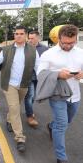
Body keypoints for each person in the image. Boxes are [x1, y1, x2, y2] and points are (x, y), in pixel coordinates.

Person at [0, 26, 39, 152]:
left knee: (15, 106)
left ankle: (9, 119)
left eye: (21, 33)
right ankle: (20, 138)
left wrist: (43, 81)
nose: (18, 36)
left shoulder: (33, 50)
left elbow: (38, 67)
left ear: (25, 35)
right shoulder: (6, 49)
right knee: (15, 107)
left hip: (24, 84)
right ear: (14, 35)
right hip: (9, 84)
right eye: (16, 33)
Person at [37, 25, 83, 163]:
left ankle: (51, 126)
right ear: (59, 39)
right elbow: (40, 74)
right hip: (57, 95)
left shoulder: (81, 52)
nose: (68, 45)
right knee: (62, 125)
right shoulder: (48, 54)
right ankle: (61, 158)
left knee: (65, 122)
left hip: (75, 96)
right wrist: (58, 74)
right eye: (65, 43)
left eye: (72, 42)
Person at [24, 31, 48, 127]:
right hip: (28, 76)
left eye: (32, 38)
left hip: (39, 77)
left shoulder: (45, 49)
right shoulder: (25, 48)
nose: (30, 40)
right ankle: (30, 116)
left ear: (38, 38)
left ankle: (28, 109)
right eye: (29, 38)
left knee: (33, 97)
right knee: (29, 96)